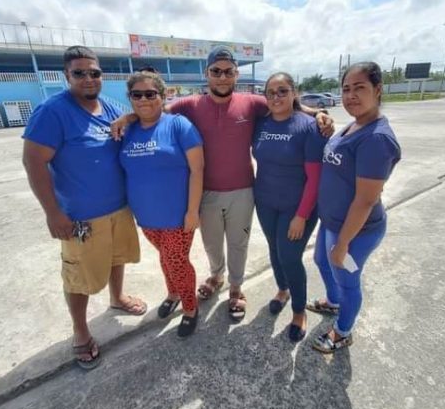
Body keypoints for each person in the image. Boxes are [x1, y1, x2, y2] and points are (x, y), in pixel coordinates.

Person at [113, 45, 334, 322]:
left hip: (243, 191)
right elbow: (155, 109)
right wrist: (128, 116)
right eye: (216, 71)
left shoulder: (252, 103)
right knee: (212, 244)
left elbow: (288, 104)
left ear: (235, 74)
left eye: (228, 71)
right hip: (206, 192)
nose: (222, 77)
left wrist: (318, 114)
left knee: (238, 244)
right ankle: (217, 276)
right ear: (207, 73)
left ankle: (237, 289)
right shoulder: (191, 104)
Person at [22, 45, 146, 370]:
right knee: (79, 277)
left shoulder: (107, 107)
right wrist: (53, 213)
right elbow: (34, 162)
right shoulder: (53, 111)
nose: (88, 78)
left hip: (119, 208)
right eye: (80, 73)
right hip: (80, 216)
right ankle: (80, 330)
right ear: (67, 76)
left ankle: (117, 299)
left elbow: (138, 117)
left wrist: (131, 115)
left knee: (118, 258)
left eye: (94, 72)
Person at [308, 62, 401, 353]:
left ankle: (343, 331)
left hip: (356, 230)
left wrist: (344, 242)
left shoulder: (376, 138)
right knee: (323, 262)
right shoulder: (355, 124)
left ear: (378, 89)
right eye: (346, 89)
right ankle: (333, 303)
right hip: (332, 221)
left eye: (359, 88)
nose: (351, 96)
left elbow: (365, 200)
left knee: (348, 280)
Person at [119, 71, 204, 338]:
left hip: (178, 216)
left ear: (163, 95)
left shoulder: (179, 125)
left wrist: (192, 211)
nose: (144, 99)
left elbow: (198, 170)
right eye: (137, 94)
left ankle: (191, 308)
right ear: (130, 98)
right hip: (146, 217)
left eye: (150, 93)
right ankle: (174, 293)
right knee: (165, 259)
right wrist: (127, 117)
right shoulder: (127, 129)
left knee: (177, 262)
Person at [252, 72, 326, 342]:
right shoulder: (261, 124)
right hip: (265, 201)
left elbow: (315, 178)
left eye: (282, 91)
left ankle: (298, 311)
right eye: (270, 92)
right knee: (275, 249)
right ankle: (282, 290)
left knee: (290, 257)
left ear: (294, 93)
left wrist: (301, 216)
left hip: (298, 207)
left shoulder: (308, 126)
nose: (276, 97)